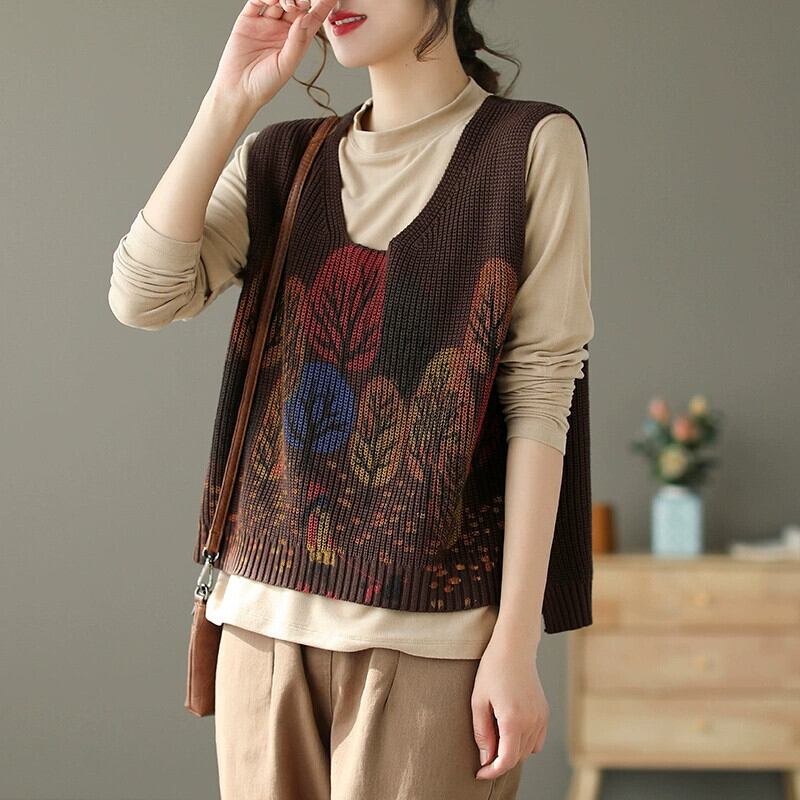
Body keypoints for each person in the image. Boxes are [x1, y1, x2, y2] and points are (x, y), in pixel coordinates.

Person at [108, 1, 595, 797]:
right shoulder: (282, 158)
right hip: (260, 629)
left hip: (434, 643)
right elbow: (141, 297)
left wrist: (515, 643)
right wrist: (230, 98)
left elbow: (541, 391)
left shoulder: (529, 145)